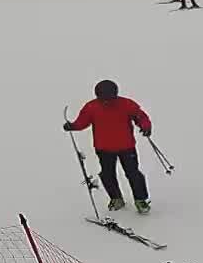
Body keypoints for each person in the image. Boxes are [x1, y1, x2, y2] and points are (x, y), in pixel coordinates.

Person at [64, 80, 153, 213]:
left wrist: (145, 126)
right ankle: (116, 199)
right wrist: (73, 126)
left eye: (109, 98)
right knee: (107, 174)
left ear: (115, 94)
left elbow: (140, 116)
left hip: (126, 146)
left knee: (133, 173)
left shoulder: (126, 104)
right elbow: (82, 122)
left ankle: (140, 200)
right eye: (103, 98)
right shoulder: (91, 107)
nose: (106, 101)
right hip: (103, 148)